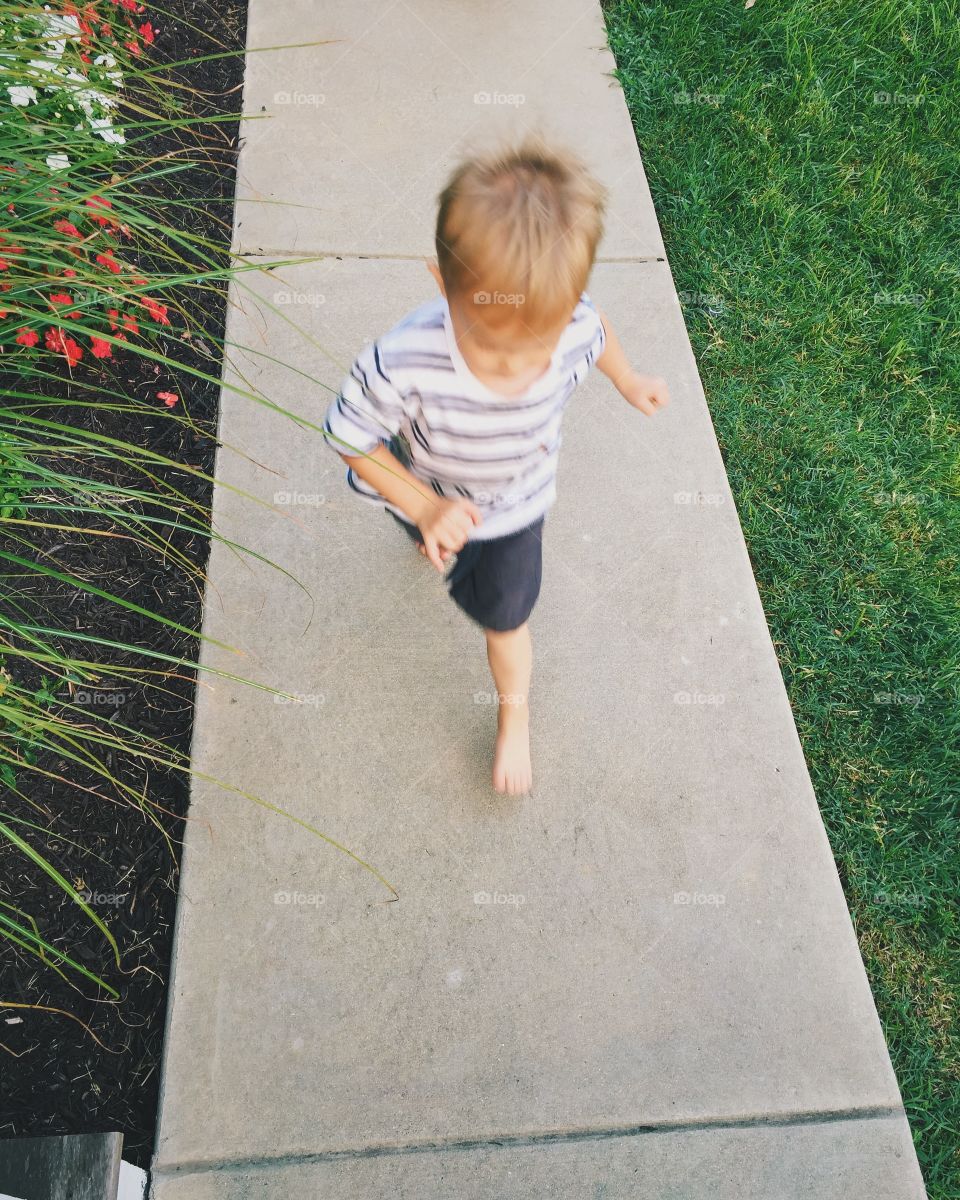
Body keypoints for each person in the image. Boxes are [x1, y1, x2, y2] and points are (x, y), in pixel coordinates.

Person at [322, 133, 669, 796]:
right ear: (440, 283)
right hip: (424, 480)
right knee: (420, 527)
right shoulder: (403, 360)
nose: (513, 368)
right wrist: (423, 506)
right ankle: (426, 529)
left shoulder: (570, 321)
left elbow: (597, 330)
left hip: (515, 509)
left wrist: (627, 380)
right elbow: (349, 435)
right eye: (490, 346)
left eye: (533, 348)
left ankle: (513, 712)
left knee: (505, 618)